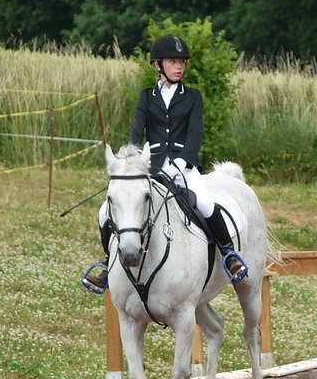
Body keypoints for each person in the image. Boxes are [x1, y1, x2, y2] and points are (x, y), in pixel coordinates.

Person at [82, 34, 247, 292]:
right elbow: (137, 133)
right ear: (158, 65)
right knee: (105, 211)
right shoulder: (146, 97)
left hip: (185, 168)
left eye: (181, 62)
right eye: (172, 61)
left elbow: (195, 134)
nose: (179, 66)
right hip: (153, 167)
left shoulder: (193, 97)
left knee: (204, 203)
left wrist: (183, 162)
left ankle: (229, 255)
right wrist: (132, 161)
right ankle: (108, 261)